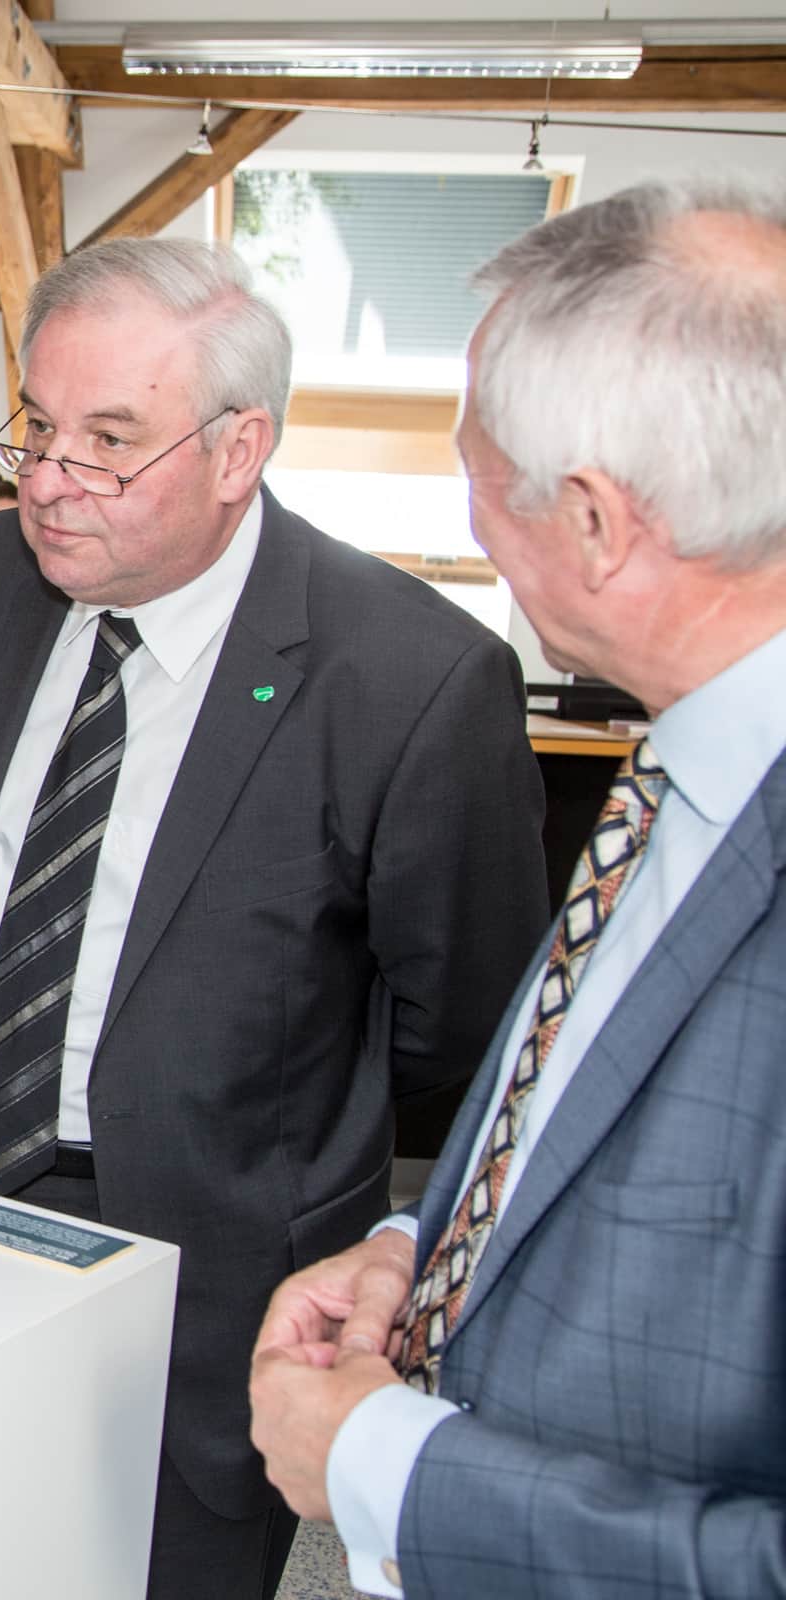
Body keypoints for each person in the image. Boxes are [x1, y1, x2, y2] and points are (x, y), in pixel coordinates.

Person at [0, 237, 549, 1598]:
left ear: (240, 448)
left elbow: (465, 1028)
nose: (51, 482)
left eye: (109, 442)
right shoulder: (3, 573)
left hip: (206, 1278)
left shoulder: (411, 679)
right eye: (37, 427)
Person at [250, 177, 786, 1600]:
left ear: (600, 524)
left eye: (477, 471)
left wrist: (384, 1468)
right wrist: (420, 1258)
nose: (469, 520)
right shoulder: (687, 773)